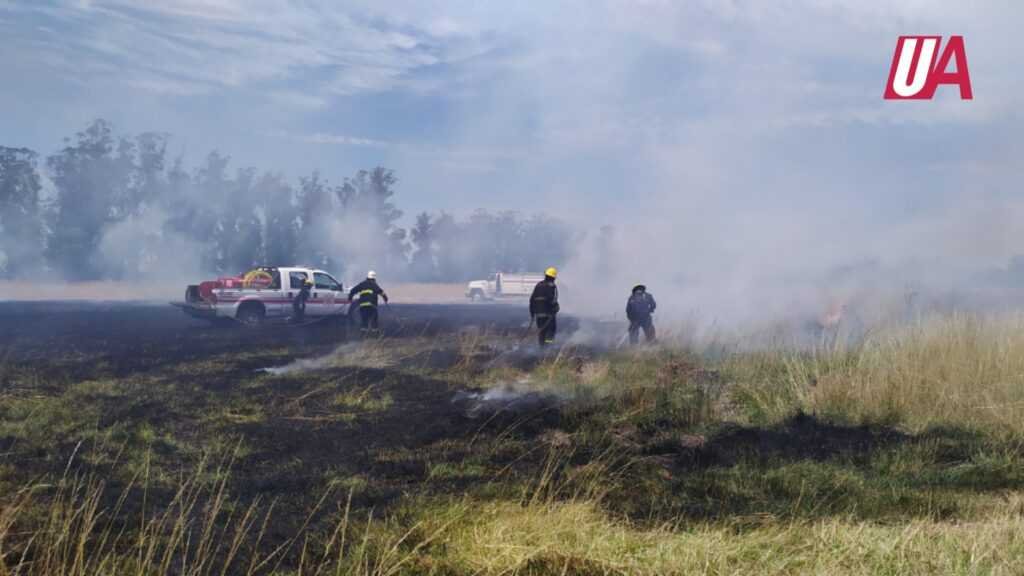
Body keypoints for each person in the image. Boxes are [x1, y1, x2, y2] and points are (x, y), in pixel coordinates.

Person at [348, 270, 389, 335]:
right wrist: (385, 298)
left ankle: (363, 334)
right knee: (374, 319)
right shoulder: (374, 284)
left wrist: (350, 298)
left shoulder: (362, 284)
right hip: (372, 305)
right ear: (374, 278)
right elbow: (381, 292)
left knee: (364, 320)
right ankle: (375, 334)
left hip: (363, 305)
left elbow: (353, 290)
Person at [529, 267, 560, 347]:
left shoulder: (538, 285)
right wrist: (556, 307)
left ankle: (541, 347)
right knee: (550, 330)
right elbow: (551, 299)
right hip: (548, 314)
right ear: (553, 277)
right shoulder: (551, 286)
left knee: (541, 331)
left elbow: (532, 299)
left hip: (539, 314)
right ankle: (548, 347)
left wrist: (532, 313)